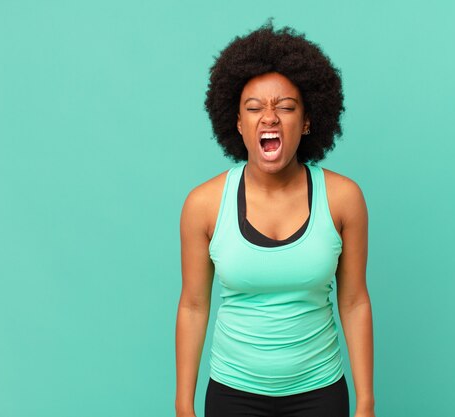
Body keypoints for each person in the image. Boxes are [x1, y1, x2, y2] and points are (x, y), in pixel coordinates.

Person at [175, 22, 375, 417]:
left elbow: (354, 302)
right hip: (233, 394)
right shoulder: (204, 204)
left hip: (320, 392)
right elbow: (194, 306)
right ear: (236, 122)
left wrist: (366, 402)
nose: (270, 117)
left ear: (306, 121)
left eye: (285, 107)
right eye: (253, 108)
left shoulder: (343, 199)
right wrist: (183, 405)